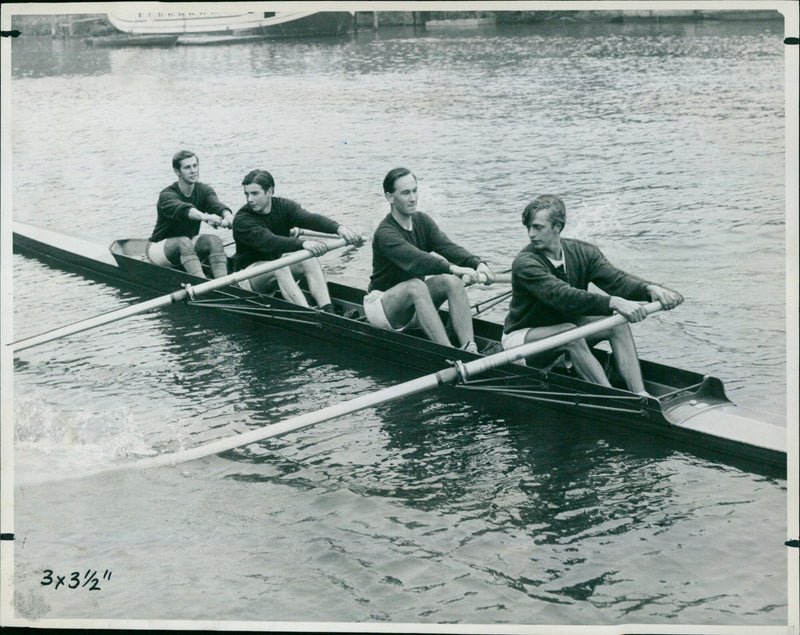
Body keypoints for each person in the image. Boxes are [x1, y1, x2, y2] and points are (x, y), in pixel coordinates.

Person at [502, 194, 683, 394]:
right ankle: (611, 398)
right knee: (570, 333)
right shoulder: (525, 263)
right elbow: (564, 297)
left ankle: (641, 395)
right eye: (529, 227)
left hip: (564, 328)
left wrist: (650, 289)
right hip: (522, 341)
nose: (531, 234)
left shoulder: (583, 252)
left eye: (537, 227)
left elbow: (617, 281)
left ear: (557, 226)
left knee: (618, 325)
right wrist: (613, 302)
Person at [365, 167, 495, 353]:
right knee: (416, 285)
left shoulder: (422, 221)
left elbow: (448, 247)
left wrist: (478, 264)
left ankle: (470, 348)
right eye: (405, 193)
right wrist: (454, 268)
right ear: (390, 197)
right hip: (383, 307)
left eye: (415, 190)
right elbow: (417, 259)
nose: (413, 198)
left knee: (451, 281)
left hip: (413, 304)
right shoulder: (385, 233)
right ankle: (448, 352)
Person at [232, 169, 362, 310]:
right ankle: (306, 313)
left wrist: (339, 228)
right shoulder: (242, 220)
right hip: (246, 277)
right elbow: (270, 242)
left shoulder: (284, 206)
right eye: (247, 194)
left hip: (273, 267)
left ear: (270, 191)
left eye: (255, 193)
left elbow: (310, 219)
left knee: (308, 260)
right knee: (279, 267)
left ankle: (328, 309)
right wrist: (304, 243)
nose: (250, 199)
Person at [148, 150, 233, 279]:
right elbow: (185, 210)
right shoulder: (167, 195)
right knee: (184, 241)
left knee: (214, 241)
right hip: (159, 250)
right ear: (177, 172)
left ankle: (223, 284)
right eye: (187, 167)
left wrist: (228, 216)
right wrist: (206, 217)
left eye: (195, 166)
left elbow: (215, 205)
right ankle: (201, 284)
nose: (193, 171)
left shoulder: (204, 190)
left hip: (187, 248)